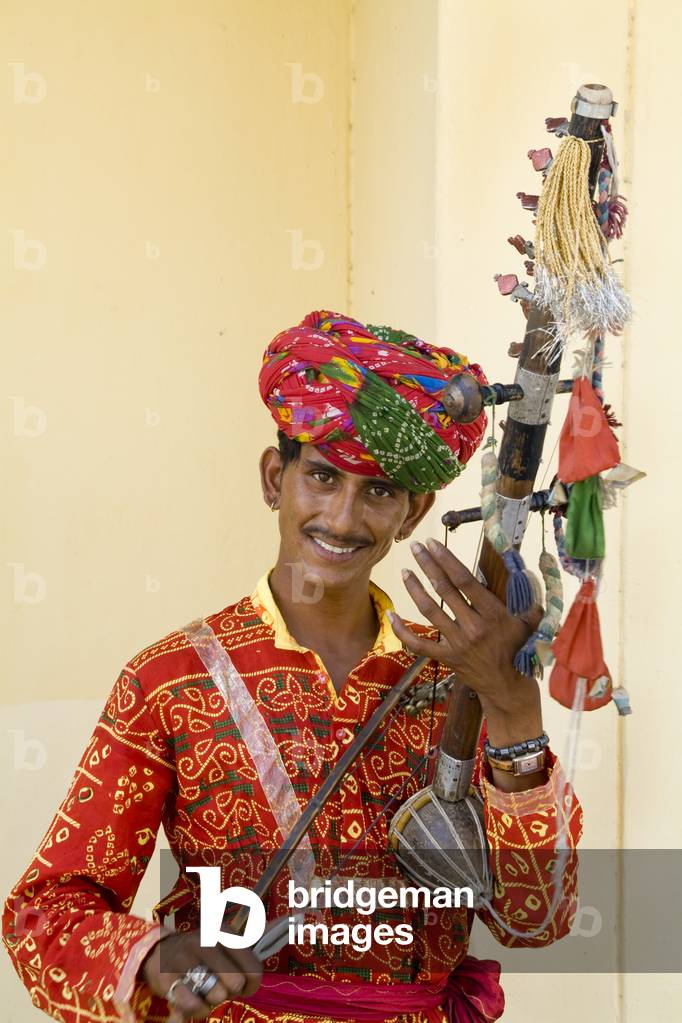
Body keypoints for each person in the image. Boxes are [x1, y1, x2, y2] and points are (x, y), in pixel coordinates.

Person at [3, 311, 582, 1023]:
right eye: (321, 476)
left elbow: (537, 919)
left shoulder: (458, 675)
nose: (342, 518)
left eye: (378, 491)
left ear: (413, 511)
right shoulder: (167, 680)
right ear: (275, 477)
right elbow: (47, 914)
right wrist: (162, 956)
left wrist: (512, 705)